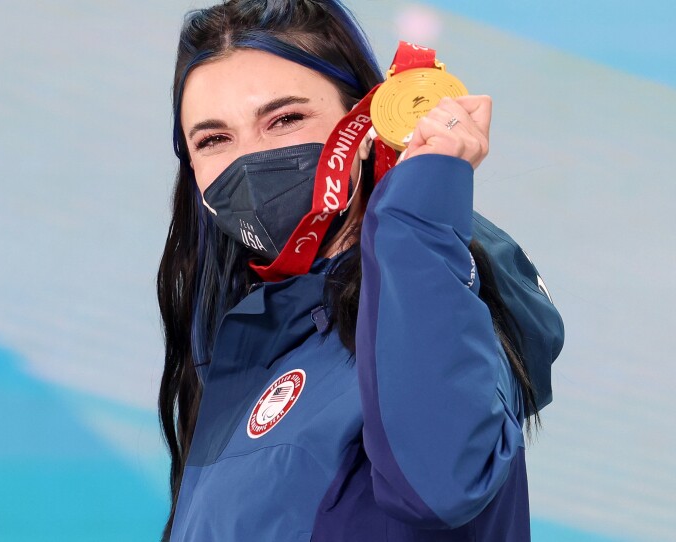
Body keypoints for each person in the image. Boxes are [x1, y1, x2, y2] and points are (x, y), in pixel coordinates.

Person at [157, 1, 565, 540]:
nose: (248, 161)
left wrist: (416, 214)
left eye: (285, 119)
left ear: (368, 126)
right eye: (213, 139)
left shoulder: (440, 311)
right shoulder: (245, 350)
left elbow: (440, 486)